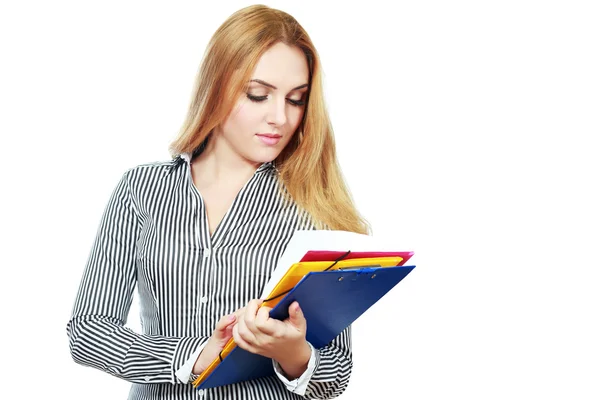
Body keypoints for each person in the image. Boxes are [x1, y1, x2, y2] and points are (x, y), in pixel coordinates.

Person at [67, 4, 369, 400]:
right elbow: (88, 331)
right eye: (258, 95)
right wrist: (192, 356)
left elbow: (338, 373)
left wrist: (293, 353)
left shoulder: (313, 204)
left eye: (296, 100)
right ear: (216, 86)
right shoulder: (140, 189)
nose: (279, 117)